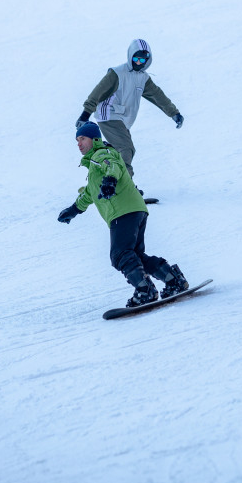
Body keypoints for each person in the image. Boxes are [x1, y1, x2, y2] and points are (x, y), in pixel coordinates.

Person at [58, 122, 190, 307]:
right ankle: (172, 279)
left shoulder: (101, 154)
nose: (79, 143)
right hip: (134, 210)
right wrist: (73, 210)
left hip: (123, 212)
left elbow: (113, 167)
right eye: (77, 140)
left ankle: (145, 290)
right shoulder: (94, 167)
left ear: (95, 139)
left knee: (120, 255)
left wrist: (110, 181)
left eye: (83, 139)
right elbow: (89, 194)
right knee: (134, 255)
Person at [75, 39, 184, 180]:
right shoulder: (117, 73)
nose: (139, 62)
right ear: (130, 56)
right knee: (126, 148)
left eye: (143, 60)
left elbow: (157, 95)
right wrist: (85, 114)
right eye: (136, 58)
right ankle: (123, 185)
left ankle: (107, 180)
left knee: (117, 152)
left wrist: (174, 113)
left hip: (122, 120)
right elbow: (97, 93)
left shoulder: (143, 78)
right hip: (108, 115)